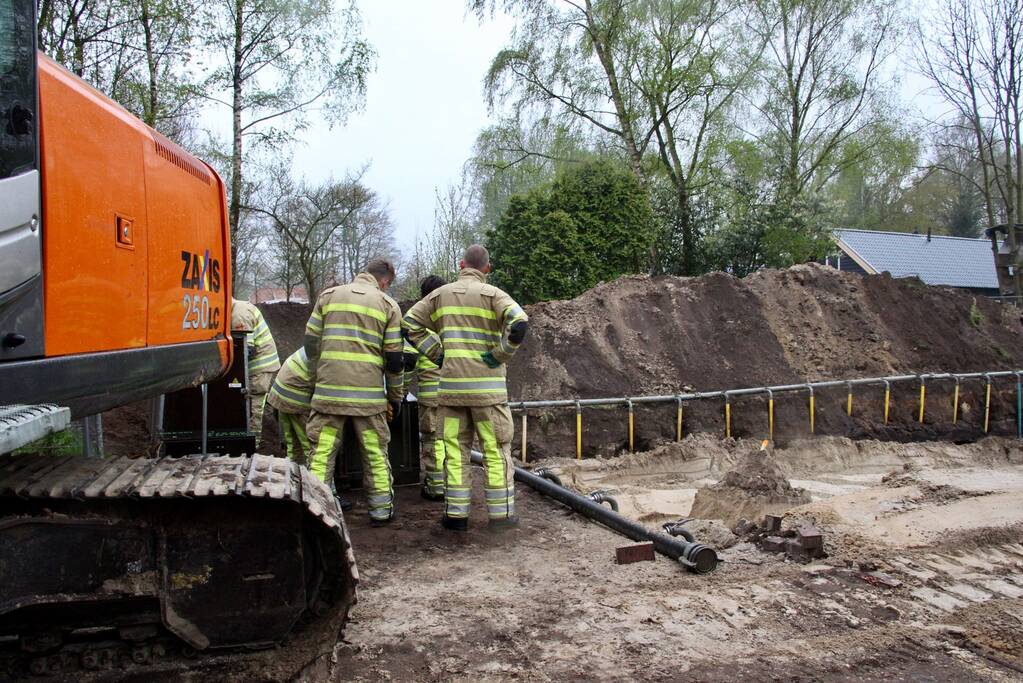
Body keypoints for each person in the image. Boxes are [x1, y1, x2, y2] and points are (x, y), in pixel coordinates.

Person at [402, 245, 529, 531]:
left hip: (451, 392)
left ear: (461, 264)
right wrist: (500, 353)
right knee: (495, 451)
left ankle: (456, 516)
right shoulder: (495, 295)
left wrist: (437, 354)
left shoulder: (439, 296)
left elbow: (408, 325)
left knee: (454, 451)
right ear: (488, 268)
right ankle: (501, 517)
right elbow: (519, 324)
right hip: (488, 394)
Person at [304, 259, 404, 525]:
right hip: (368, 400)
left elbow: (310, 344)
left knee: (322, 453)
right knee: (374, 453)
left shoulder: (328, 297)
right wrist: (395, 397)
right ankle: (381, 512)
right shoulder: (387, 305)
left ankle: (315, 515)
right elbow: (394, 361)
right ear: (384, 281)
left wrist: (319, 377)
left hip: (329, 395)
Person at [403, 275, 447, 501]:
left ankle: (436, 487)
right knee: (453, 441)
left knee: (433, 441)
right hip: (454, 396)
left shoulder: (421, 326)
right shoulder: (451, 323)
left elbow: (407, 365)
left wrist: (399, 394)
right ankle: (454, 485)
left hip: (431, 399)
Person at [231, 298, 280, 445]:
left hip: (260, 366)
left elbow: (246, 349)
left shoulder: (239, 314)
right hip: (259, 365)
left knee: (254, 405)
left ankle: (253, 444)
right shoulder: (237, 310)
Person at [265, 347, 314, 462]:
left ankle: (293, 476)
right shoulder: (332, 351)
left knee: (293, 444)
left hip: (281, 392)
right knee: (311, 447)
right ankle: (312, 478)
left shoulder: (317, 341)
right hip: (296, 397)